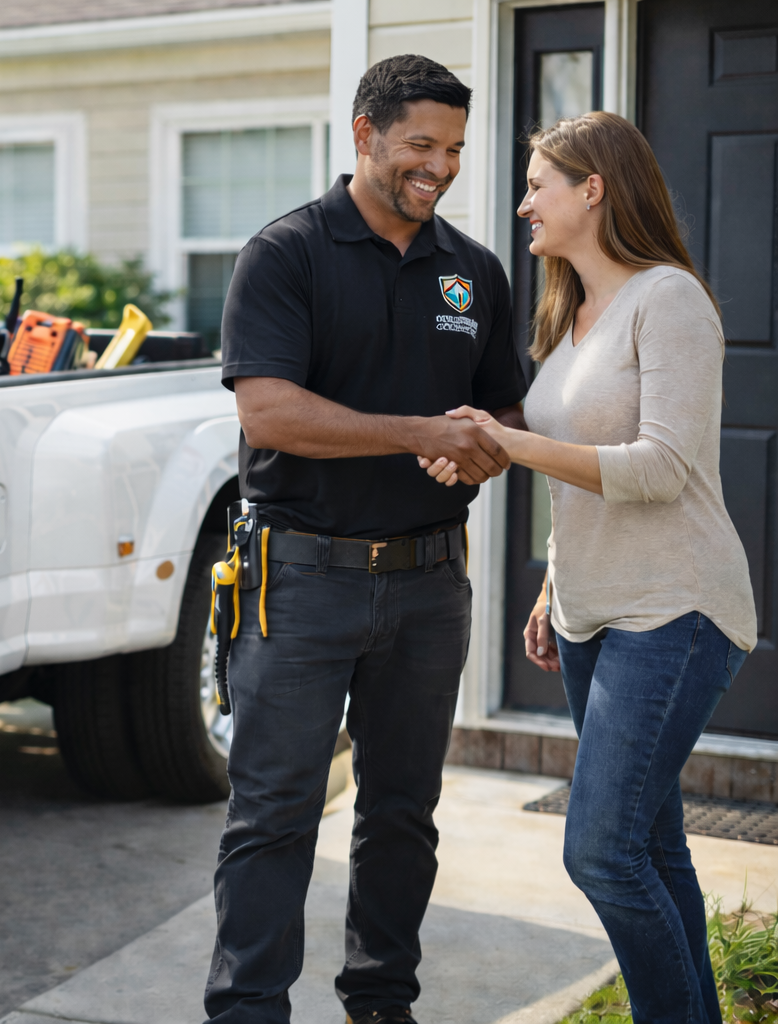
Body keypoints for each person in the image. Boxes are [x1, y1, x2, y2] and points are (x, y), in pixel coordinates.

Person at [208, 54, 529, 1024]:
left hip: (431, 583)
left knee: (402, 814)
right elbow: (269, 414)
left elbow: (501, 418)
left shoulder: (474, 270)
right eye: (421, 145)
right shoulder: (288, 254)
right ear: (365, 134)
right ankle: (250, 1010)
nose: (440, 166)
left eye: (456, 149)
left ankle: (382, 999)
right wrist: (420, 432)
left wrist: (478, 453)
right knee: (275, 814)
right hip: (301, 579)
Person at [424, 111, 756, 1024]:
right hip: (590, 612)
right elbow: (574, 464)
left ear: (593, 188)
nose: (523, 202)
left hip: (676, 607)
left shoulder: (669, 300)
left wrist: (509, 442)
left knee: (602, 852)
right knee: (652, 842)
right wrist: (552, 579)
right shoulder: (567, 316)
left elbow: (659, 468)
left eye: (538, 184)